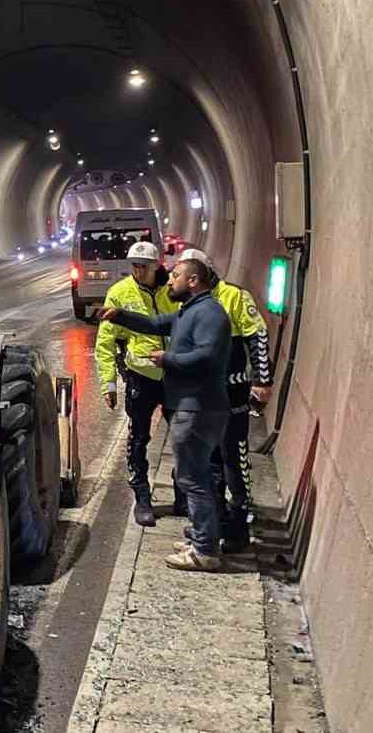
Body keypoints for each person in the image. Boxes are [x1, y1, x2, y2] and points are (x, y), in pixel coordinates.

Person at [102, 256, 231, 571]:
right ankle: (203, 537)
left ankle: (204, 551)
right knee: (195, 475)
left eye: (175, 276)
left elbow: (207, 356)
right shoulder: (188, 311)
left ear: (193, 281)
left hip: (198, 406)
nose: (169, 280)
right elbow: (152, 324)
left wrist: (168, 360)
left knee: (194, 478)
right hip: (192, 405)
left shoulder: (209, 313)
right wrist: (119, 316)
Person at [184, 249, 273, 553]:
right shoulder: (190, 303)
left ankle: (239, 524)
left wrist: (262, 380)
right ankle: (215, 520)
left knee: (233, 459)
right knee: (208, 463)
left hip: (231, 393)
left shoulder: (234, 297)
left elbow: (258, 334)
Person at [94, 241, 178, 527]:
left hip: (176, 374)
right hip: (141, 376)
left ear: (157, 265)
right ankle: (142, 498)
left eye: (144, 266)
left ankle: (183, 495)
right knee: (139, 438)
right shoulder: (119, 293)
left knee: (183, 436)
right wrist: (108, 384)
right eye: (134, 266)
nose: (139, 271)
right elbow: (105, 342)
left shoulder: (173, 290)